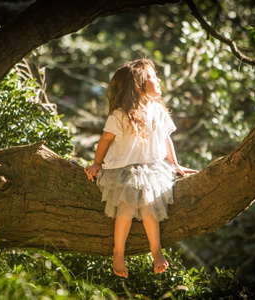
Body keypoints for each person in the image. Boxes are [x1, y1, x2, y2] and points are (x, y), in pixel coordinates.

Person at [84, 58, 198, 278]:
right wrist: (97, 163)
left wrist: (174, 164)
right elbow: (105, 141)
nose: (158, 79)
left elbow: (166, 139)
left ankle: (156, 250)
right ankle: (118, 252)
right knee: (125, 206)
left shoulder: (157, 110)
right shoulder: (120, 113)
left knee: (149, 205)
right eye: (153, 77)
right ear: (139, 85)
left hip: (151, 167)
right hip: (122, 169)